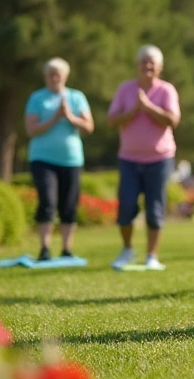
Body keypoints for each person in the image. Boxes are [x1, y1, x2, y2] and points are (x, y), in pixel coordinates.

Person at [108, 45, 181, 271]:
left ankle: (152, 255)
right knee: (127, 207)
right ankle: (127, 249)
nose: (147, 66)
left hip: (159, 158)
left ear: (159, 67)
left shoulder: (166, 90)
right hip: (129, 158)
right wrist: (133, 111)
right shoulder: (125, 89)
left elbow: (173, 120)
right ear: (137, 65)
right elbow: (111, 121)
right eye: (143, 62)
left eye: (152, 63)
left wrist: (148, 107)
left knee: (155, 208)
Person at [24, 57, 94, 261]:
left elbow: (89, 127)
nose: (54, 78)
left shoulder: (76, 97)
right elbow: (31, 129)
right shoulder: (37, 98)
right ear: (45, 77)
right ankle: (45, 248)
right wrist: (55, 117)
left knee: (69, 204)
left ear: (65, 76)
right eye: (51, 74)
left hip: (71, 160)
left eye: (58, 74)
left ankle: (66, 248)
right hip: (43, 158)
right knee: (47, 200)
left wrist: (70, 117)